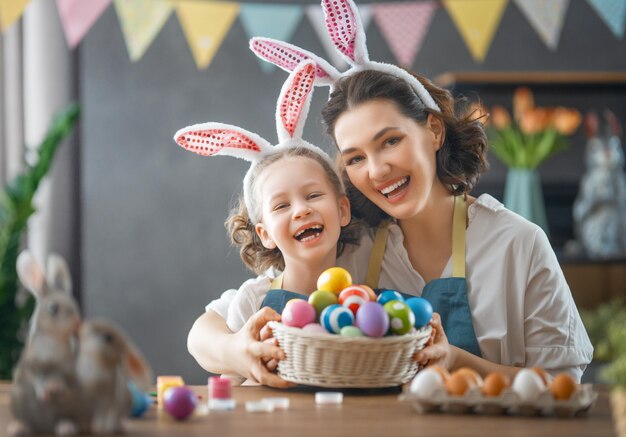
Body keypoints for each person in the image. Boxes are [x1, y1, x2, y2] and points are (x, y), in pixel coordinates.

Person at [190, 0, 593, 384]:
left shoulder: (516, 245)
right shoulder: (352, 247)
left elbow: (564, 387)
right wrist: (236, 350)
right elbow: (210, 328)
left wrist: (456, 361)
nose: (378, 170)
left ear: (433, 130)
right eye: (355, 158)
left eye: (389, 142)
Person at [178, 61, 366, 387]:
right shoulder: (253, 300)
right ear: (264, 234)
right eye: (281, 205)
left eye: (313, 195)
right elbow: (226, 378)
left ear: (342, 210)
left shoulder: (363, 289)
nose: (300, 211)